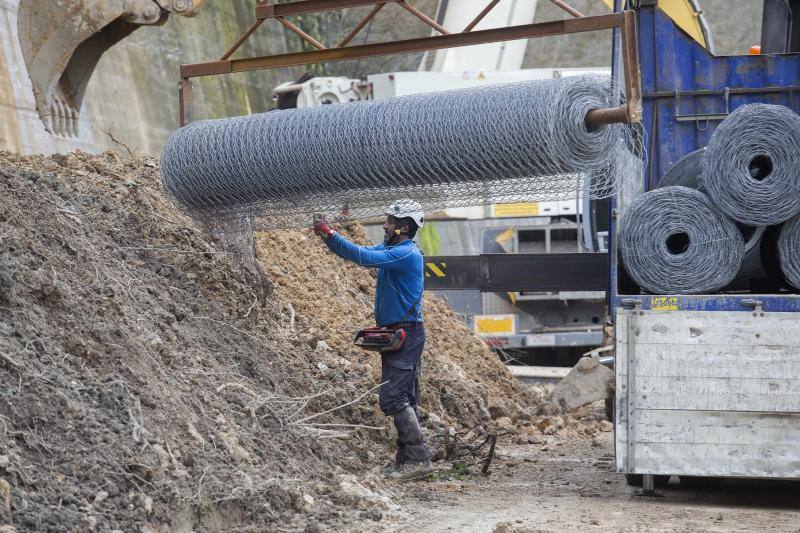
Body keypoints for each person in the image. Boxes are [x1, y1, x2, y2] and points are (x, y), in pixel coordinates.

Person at [313, 199, 433, 481]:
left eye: (390, 222)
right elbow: (363, 252)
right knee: (404, 396)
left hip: (407, 332)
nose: (385, 225)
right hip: (401, 331)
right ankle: (407, 461)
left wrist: (329, 233)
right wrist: (328, 238)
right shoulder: (393, 249)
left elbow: (364, 258)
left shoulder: (405, 253)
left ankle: (419, 460)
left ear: (403, 228)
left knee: (392, 397)